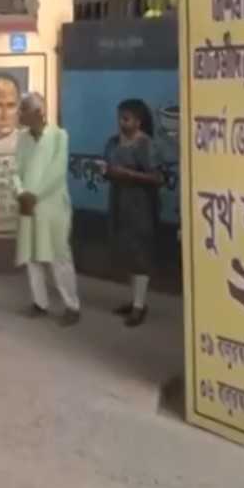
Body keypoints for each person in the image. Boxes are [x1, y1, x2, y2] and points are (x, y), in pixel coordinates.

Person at [14, 93, 80, 326]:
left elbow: (57, 172)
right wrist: (21, 193)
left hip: (52, 207)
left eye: (23, 110)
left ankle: (72, 306)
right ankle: (40, 303)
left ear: (38, 113)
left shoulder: (59, 136)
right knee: (32, 256)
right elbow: (15, 169)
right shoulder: (22, 138)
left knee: (59, 256)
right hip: (27, 206)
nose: (18, 114)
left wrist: (35, 195)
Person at [103, 98, 163, 327]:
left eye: (126, 119)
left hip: (141, 206)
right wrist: (108, 172)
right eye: (120, 117)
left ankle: (140, 306)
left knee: (140, 255)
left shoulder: (146, 145)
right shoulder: (113, 143)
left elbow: (158, 178)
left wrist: (129, 175)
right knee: (128, 253)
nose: (121, 122)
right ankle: (135, 300)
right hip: (120, 203)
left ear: (138, 122)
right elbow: (108, 168)